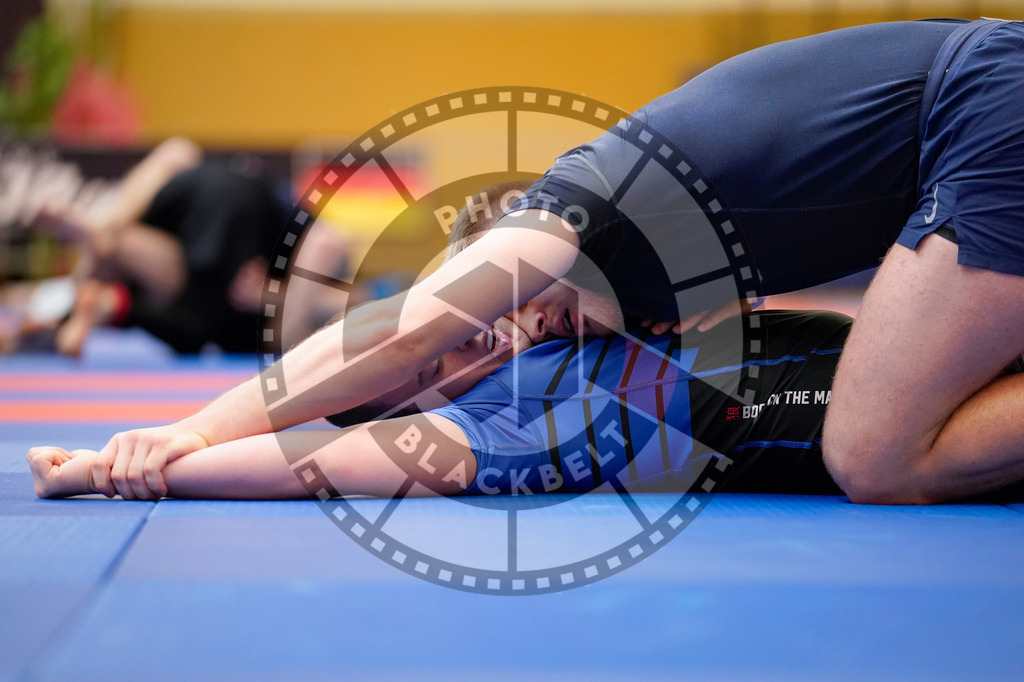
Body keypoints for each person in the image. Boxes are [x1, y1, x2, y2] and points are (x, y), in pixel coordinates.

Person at [70, 18, 1024, 505]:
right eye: (479, 352)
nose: (512, 339)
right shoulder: (623, 317)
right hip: (977, 116)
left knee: (875, 452)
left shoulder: (578, 203)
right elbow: (337, 451)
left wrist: (183, 438)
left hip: (988, 107)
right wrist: (134, 466)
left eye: (509, 314)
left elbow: (402, 338)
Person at [29, 309, 849, 500]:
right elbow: (317, 462)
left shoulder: (549, 311)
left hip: (840, 340)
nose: (478, 336)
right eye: (440, 355)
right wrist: (112, 469)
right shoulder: (487, 423)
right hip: (821, 408)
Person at [4, 137, 354, 355]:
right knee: (204, 320)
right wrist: (277, 296)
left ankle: (105, 236)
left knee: (176, 160)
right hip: (232, 227)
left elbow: (177, 152)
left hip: (191, 210)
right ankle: (104, 246)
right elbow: (328, 248)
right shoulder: (313, 249)